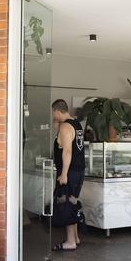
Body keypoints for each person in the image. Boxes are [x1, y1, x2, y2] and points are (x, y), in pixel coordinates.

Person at [51, 99, 85, 251]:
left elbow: (67, 151)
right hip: (78, 171)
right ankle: (76, 237)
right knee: (72, 202)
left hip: (69, 172)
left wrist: (64, 174)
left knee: (65, 204)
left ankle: (70, 241)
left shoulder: (65, 127)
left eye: (53, 113)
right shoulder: (76, 124)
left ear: (57, 111)